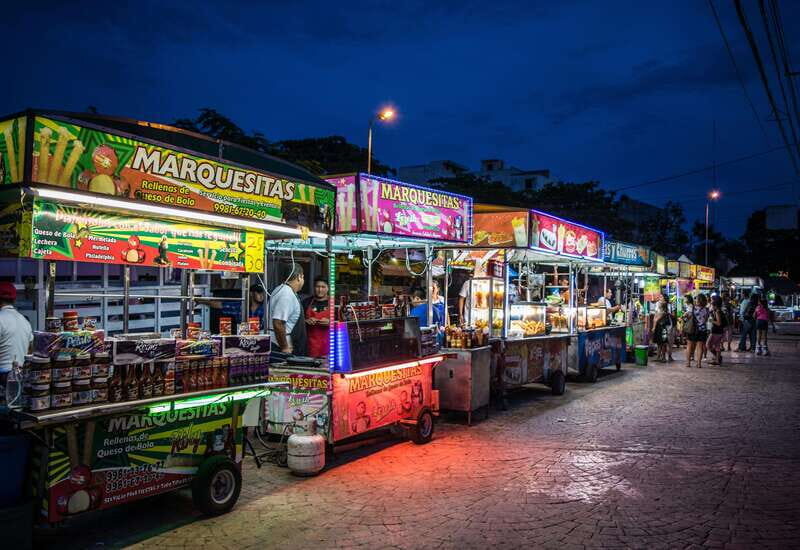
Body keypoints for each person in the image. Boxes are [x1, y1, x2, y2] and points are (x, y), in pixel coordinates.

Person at [0, 283, 33, 402]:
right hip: (20, 376)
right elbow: (30, 350)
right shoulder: (24, 321)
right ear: (14, 299)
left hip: (3, 377)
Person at [268, 265, 307, 355]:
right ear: (299, 277)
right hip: (279, 348)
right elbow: (278, 323)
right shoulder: (286, 294)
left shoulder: (284, 290)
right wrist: (285, 347)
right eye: (303, 277)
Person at [302, 278, 330, 359]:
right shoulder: (306, 302)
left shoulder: (334, 303)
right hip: (311, 345)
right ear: (314, 288)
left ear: (328, 288)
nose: (320, 290)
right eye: (317, 287)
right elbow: (298, 322)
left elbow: (342, 322)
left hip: (329, 344)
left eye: (323, 287)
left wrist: (331, 322)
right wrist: (306, 321)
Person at [685, 294, 709, 368]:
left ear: (698, 300)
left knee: (689, 346)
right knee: (700, 347)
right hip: (702, 329)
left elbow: (687, 316)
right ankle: (699, 364)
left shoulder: (693, 309)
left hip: (693, 329)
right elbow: (706, 319)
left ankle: (688, 363)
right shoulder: (706, 310)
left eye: (696, 299)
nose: (695, 300)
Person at [707, 295, 726, 365]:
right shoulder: (718, 310)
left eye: (712, 300)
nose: (711, 301)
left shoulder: (717, 311)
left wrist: (711, 321)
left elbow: (719, 323)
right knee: (717, 346)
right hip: (719, 331)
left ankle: (717, 357)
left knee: (708, 345)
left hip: (716, 331)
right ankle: (717, 360)